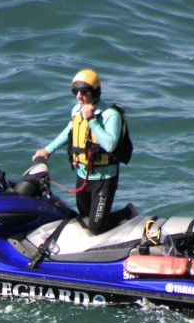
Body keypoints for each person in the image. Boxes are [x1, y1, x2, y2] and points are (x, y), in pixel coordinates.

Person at [32, 68, 133, 234]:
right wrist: (47, 150)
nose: (79, 96)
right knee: (85, 220)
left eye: (84, 92)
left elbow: (110, 145)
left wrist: (92, 120)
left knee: (95, 228)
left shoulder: (110, 115)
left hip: (104, 179)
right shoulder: (76, 111)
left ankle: (128, 212)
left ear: (94, 92)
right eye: (76, 92)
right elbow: (69, 131)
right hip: (83, 175)